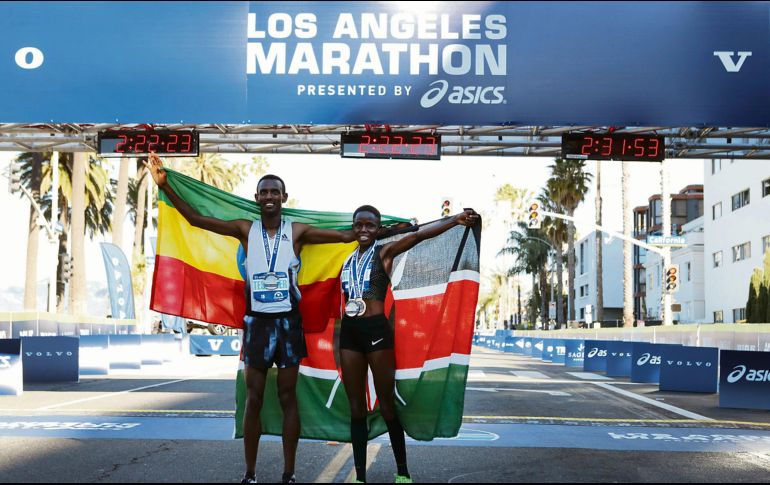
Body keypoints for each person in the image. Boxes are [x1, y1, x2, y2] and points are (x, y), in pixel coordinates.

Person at [146, 153, 357, 484]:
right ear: (257, 197)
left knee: (288, 397)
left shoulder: (297, 231)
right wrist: (166, 185)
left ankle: (289, 473)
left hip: (288, 323)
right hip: (256, 323)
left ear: (284, 197)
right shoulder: (245, 229)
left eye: (275, 192)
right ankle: (250, 473)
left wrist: (392, 228)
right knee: (253, 398)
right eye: (264, 192)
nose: (270, 196)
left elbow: (347, 236)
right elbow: (195, 219)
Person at [338, 205, 480, 483]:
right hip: (350, 333)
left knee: (387, 405)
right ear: (353, 228)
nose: (363, 229)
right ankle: (360, 478)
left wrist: (454, 220)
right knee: (355, 408)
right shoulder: (346, 259)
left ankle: (402, 472)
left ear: (378, 229)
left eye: (370, 225)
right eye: (359, 225)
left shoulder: (384, 252)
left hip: (376, 331)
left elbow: (418, 236)